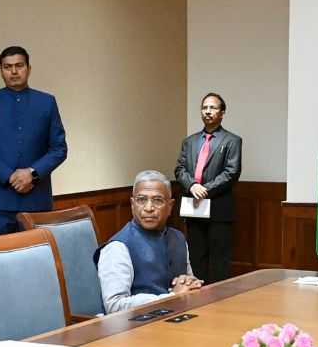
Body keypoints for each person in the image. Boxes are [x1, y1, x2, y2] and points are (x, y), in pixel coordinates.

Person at [0, 46, 68, 236]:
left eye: (19, 65)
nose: (13, 71)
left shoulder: (47, 102)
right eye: (7, 67)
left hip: (36, 200)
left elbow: (59, 149)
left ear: (29, 68)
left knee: (38, 261)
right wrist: (10, 177)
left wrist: (32, 173)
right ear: (1, 70)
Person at [95, 170, 202, 313]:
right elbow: (114, 306)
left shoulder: (178, 238)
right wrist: (171, 298)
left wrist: (190, 283)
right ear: (132, 204)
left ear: (170, 206)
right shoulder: (118, 247)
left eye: (157, 200)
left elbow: (187, 283)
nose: (148, 208)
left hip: (177, 319)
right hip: (135, 328)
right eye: (141, 200)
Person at [173, 93, 243, 282]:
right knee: (196, 257)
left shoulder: (232, 141)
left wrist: (206, 189)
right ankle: (198, 297)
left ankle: (220, 303)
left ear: (222, 113)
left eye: (212, 108)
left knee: (219, 260)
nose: (208, 111)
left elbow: (232, 172)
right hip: (193, 206)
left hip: (218, 208)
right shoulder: (189, 141)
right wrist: (193, 185)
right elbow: (179, 169)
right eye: (204, 108)